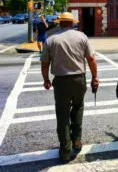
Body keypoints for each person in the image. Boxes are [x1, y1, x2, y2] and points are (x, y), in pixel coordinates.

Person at [40, 12, 99, 164]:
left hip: (60, 81)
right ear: (72, 23)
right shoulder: (82, 37)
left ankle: (65, 150)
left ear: (60, 23)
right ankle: (77, 141)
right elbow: (91, 59)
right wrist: (94, 77)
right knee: (78, 107)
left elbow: (45, 63)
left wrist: (46, 79)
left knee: (62, 114)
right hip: (79, 79)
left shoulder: (51, 39)